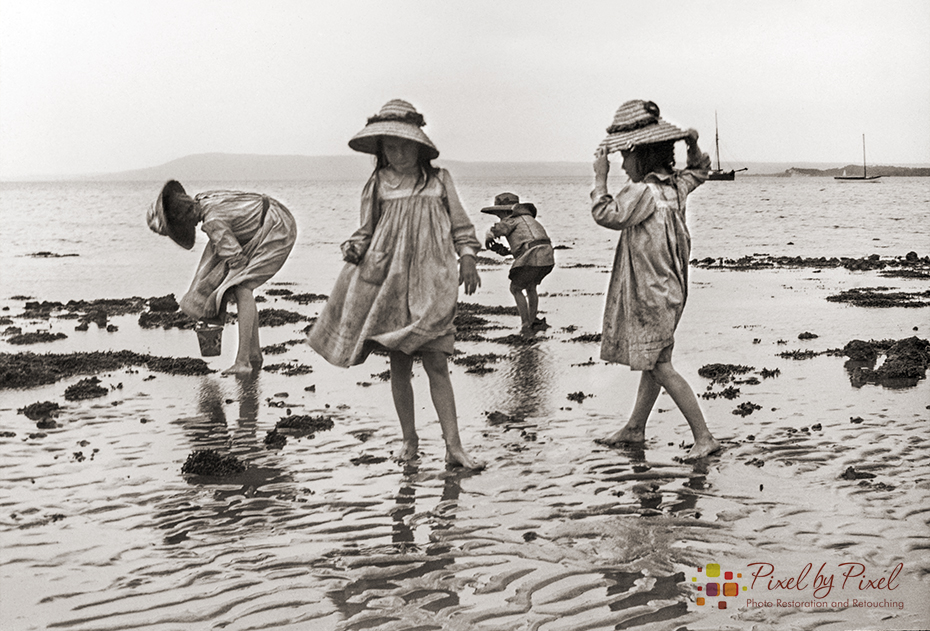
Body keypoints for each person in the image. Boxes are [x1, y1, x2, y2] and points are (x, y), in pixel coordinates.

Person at [308, 99, 485, 470]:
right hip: (387, 283)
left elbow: (461, 226)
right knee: (400, 364)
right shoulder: (378, 183)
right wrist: (354, 248)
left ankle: (454, 447)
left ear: (420, 146)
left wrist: (467, 258)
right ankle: (409, 439)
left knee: (437, 363)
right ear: (381, 151)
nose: (398, 152)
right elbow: (366, 230)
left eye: (404, 145)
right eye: (389, 146)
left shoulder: (439, 181)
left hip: (432, 282)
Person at [590, 99, 721, 460]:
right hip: (672, 288)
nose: (620, 164)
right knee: (654, 360)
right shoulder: (674, 186)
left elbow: (606, 214)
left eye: (624, 157)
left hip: (649, 291)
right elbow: (701, 170)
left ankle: (704, 437)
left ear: (641, 156)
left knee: (660, 365)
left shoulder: (642, 192)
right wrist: (693, 145)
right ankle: (635, 427)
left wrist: (599, 178)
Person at [146, 181, 297, 376]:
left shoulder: (213, 221)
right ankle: (254, 354)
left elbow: (238, 264)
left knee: (243, 287)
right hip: (268, 217)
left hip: (277, 227)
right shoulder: (204, 198)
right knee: (239, 284)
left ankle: (243, 362)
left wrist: (214, 295)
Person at [481, 193, 555, 338]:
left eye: (499, 214)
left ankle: (525, 325)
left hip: (532, 255)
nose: (499, 217)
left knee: (515, 288)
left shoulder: (511, 220)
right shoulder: (528, 219)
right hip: (547, 255)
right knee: (531, 286)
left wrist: (488, 235)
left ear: (505, 212)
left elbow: (496, 230)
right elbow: (526, 243)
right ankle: (533, 321)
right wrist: (508, 252)